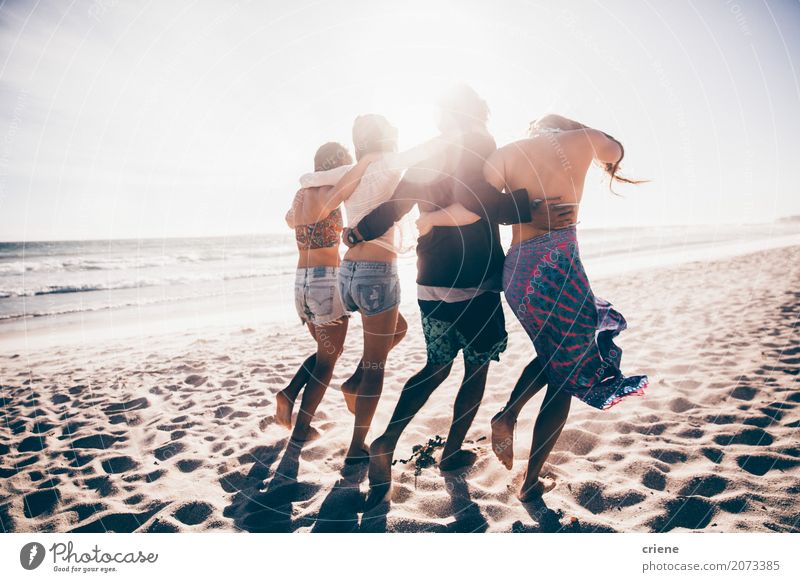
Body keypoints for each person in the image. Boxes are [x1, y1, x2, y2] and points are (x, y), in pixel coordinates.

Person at [344, 85, 574, 509]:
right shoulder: (479, 142)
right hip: (475, 279)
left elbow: (396, 204)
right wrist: (532, 206)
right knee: (476, 368)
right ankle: (450, 452)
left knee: (436, 365)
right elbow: (484, 202)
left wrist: (359, 231)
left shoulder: (428, 153)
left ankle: (386, 439)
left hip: (430, 279)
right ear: (476, 114)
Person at [418, 113, 649, 501]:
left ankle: (510, 418)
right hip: (559, 266)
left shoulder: (507, 154)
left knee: (556, 355)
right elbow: (616, 149)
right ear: (565, 125)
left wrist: (525, 209)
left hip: (518, 272)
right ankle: (526, 471)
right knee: (568, 371)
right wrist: (582, 130)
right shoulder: (582, 140)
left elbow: (479, 205)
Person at [294, 114, 448, 464]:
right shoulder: (390, 161)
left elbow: (317, 187)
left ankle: (353, 384)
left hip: (347, 273)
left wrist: (359, 164)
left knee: (396, 332)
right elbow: (430, 149)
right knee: (377, 365)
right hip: (378, 272)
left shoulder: (351, 169)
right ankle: (357, 446)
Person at [277, 142, 377, 443]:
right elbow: (355, 177)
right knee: (328, 361)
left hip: (301, 282)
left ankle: (289, 392)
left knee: (326, 353)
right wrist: (370, 157)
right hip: (325, 281)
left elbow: (289, 219)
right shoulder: (331, 191)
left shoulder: (303, 194)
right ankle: (301, 429)